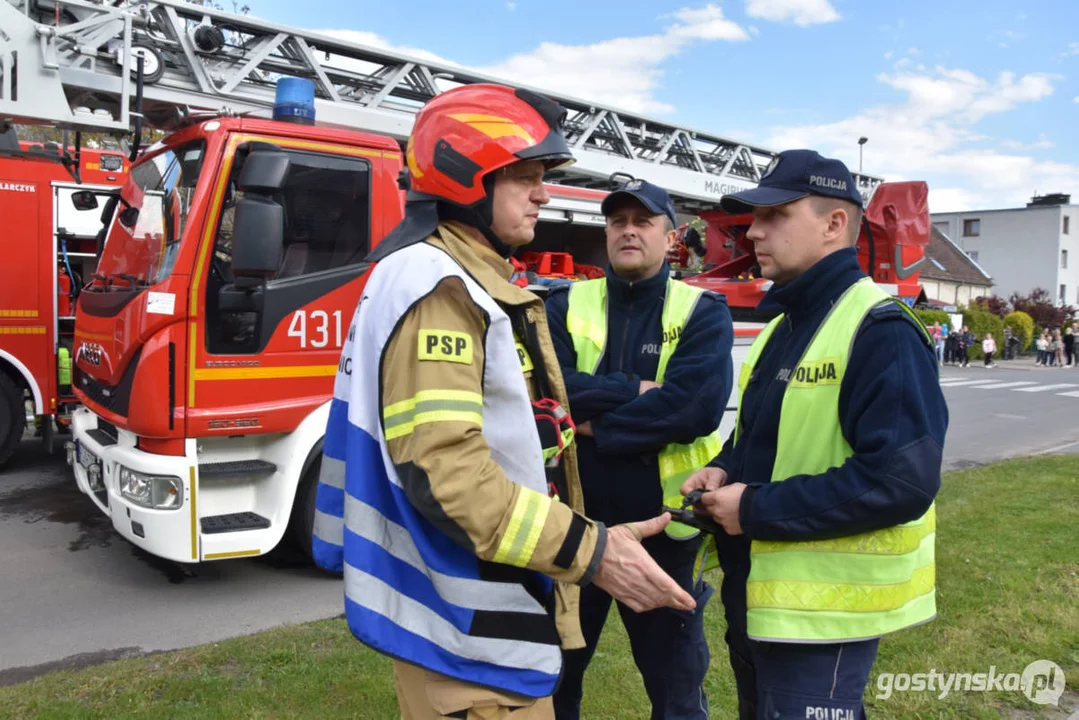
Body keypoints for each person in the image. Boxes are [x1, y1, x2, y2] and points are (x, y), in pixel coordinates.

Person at [311, 83, 695, 720]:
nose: (544, 192)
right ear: (466, 177)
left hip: (453, 616)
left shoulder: (424, 272)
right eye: (525, 176)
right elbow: (449, 476)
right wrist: (592, 552)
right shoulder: (440, 287)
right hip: (466, 636)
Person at [681, 149, 949, 719]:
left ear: (834, 225)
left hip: (824, 621)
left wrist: (752, 508)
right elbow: (764, 438)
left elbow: (902, 479)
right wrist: (727, 468)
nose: (753, 230)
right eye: (755, 217)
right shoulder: (786, 324)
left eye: (776, 215)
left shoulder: (881, 329)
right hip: (761, 596)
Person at [545, 179, 734, 719]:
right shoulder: (562, 304)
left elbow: (693, 409)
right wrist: (634, 391)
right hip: (573, 525)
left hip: (665, 531)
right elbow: (549, 391)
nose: (628, 230)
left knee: (676, 690)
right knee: (555, 682)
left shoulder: (701, 310)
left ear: (670, 236)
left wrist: (591, 425)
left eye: (643, 221)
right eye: (617, 221)